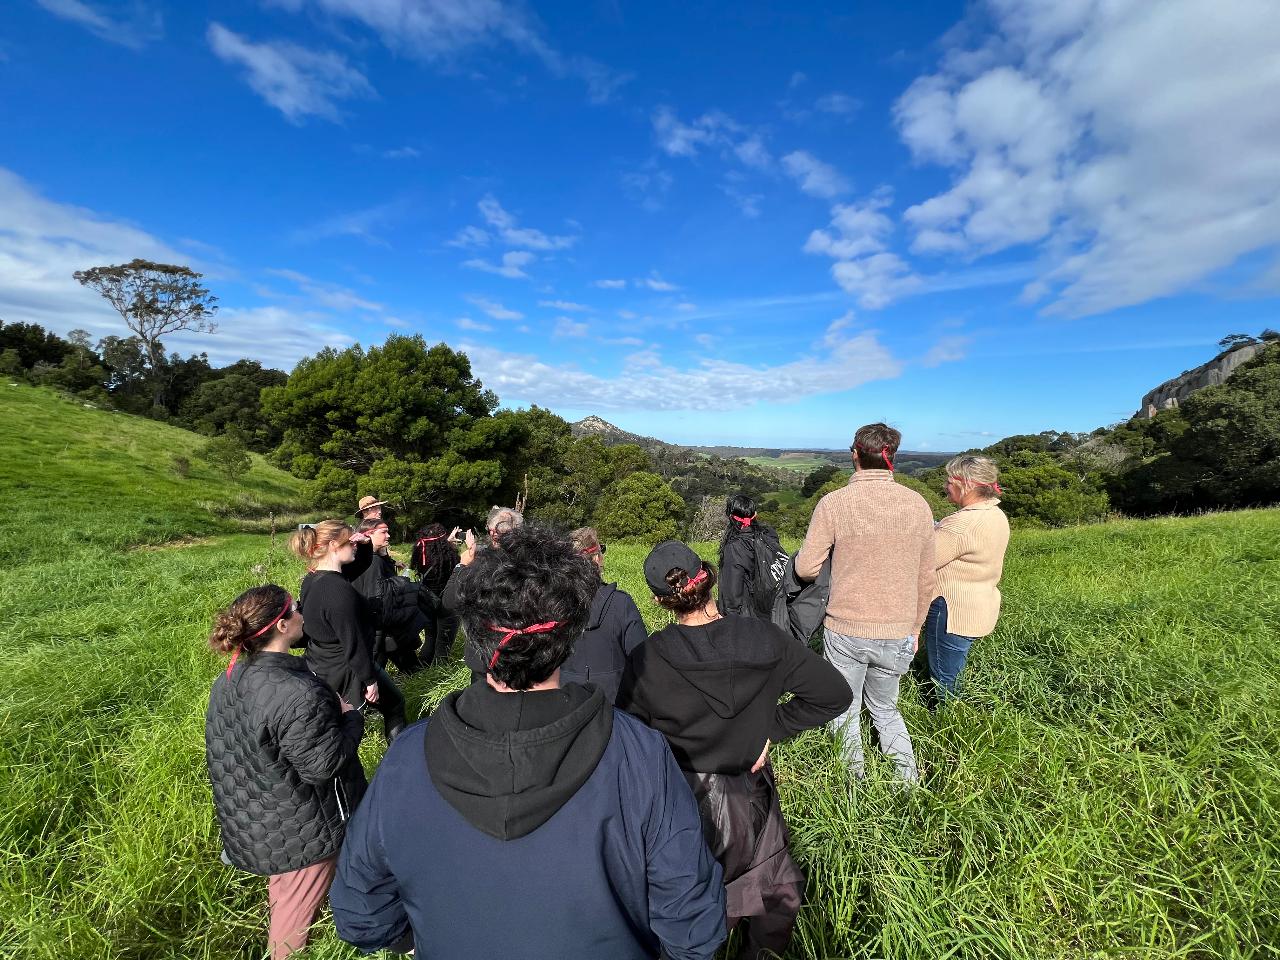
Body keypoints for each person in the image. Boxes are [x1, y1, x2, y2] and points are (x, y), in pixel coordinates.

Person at [329, 526, 728, 960]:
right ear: (570, 639)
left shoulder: (406, 757)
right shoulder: (640, 752)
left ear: (476, 639)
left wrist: (428, 935)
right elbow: (694, 928)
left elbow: (360, 914)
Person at [617, 540, 852, 960]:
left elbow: (629, 736)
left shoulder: (648, 658)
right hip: (752, 793)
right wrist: (770, 730)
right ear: (706, 578)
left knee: (687, 894)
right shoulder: (765, 638)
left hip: (679, 796)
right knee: (768, 889)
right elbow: (834, 694)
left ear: (658, 600)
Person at [205, 584, 367, 959]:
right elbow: (323, 765)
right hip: (304, 830)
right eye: (294, 609)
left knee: (289, 890)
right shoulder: (295, 692)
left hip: (261, 813)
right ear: (280, 626)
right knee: (293, 919)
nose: (301, 614)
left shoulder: (230, 677)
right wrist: (351, 717)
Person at [794, 422, 935, 784]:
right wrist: (916, 627)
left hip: (846, 628)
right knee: (886, 709)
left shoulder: (835, 503)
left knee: (845, 710)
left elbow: (807, 568)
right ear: (893, 458)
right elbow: (926, 576)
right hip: (900, 629)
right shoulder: (918, 504)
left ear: (855, 453)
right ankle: (908, 784)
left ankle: (852, 788)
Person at [289, 520, 408, 741]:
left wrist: (364, 543)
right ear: (334, 545)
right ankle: (399, 758)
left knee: (335, 722)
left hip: (322, 662)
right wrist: (369, 680)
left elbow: (359, 564)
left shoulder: (315, 579)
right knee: (391, 706)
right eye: (349, 541)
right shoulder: (339, 592)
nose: (353, 545)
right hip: (346, 668)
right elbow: (353, 643)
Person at [922, 454, 1010, 703]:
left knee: (944, 680)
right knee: (953, 669)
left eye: (950, 480)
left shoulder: (961, 524)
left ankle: (946, 725)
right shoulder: (995, 514)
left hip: (952, 610)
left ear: (967, 485)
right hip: (979, 604)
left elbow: (924, 560)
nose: (946, 486)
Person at [558, 527, 647, 703]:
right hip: (616, 708)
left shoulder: (553, 605)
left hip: (566, 708)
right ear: (597, 558)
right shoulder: (621, 604)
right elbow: (643, 662)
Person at [442, 505, 525, 680]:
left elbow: (449, 602)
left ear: (493, 532)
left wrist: (461, 566)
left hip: (485, 655)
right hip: (523, 653)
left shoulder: (480, 564)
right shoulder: (534, 562)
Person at [353, 517, 425, 675]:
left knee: (394, 665)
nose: (389, 535)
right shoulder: (373, 562)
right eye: (384, 532)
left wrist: (385, 556)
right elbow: (378, 597)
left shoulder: (362, 558)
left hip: (376, 627)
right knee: (381, 670)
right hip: (381, 628)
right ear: (368, 535)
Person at [409, 521, 461, 666]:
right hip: (445, 602)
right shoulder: (449, 556)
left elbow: (435, 550)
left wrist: (446, 542)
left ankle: (423, 665)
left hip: (427, 600)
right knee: (444, 639)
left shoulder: (421, 551)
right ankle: (439, 668)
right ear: (442, 540)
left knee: (431, 636)